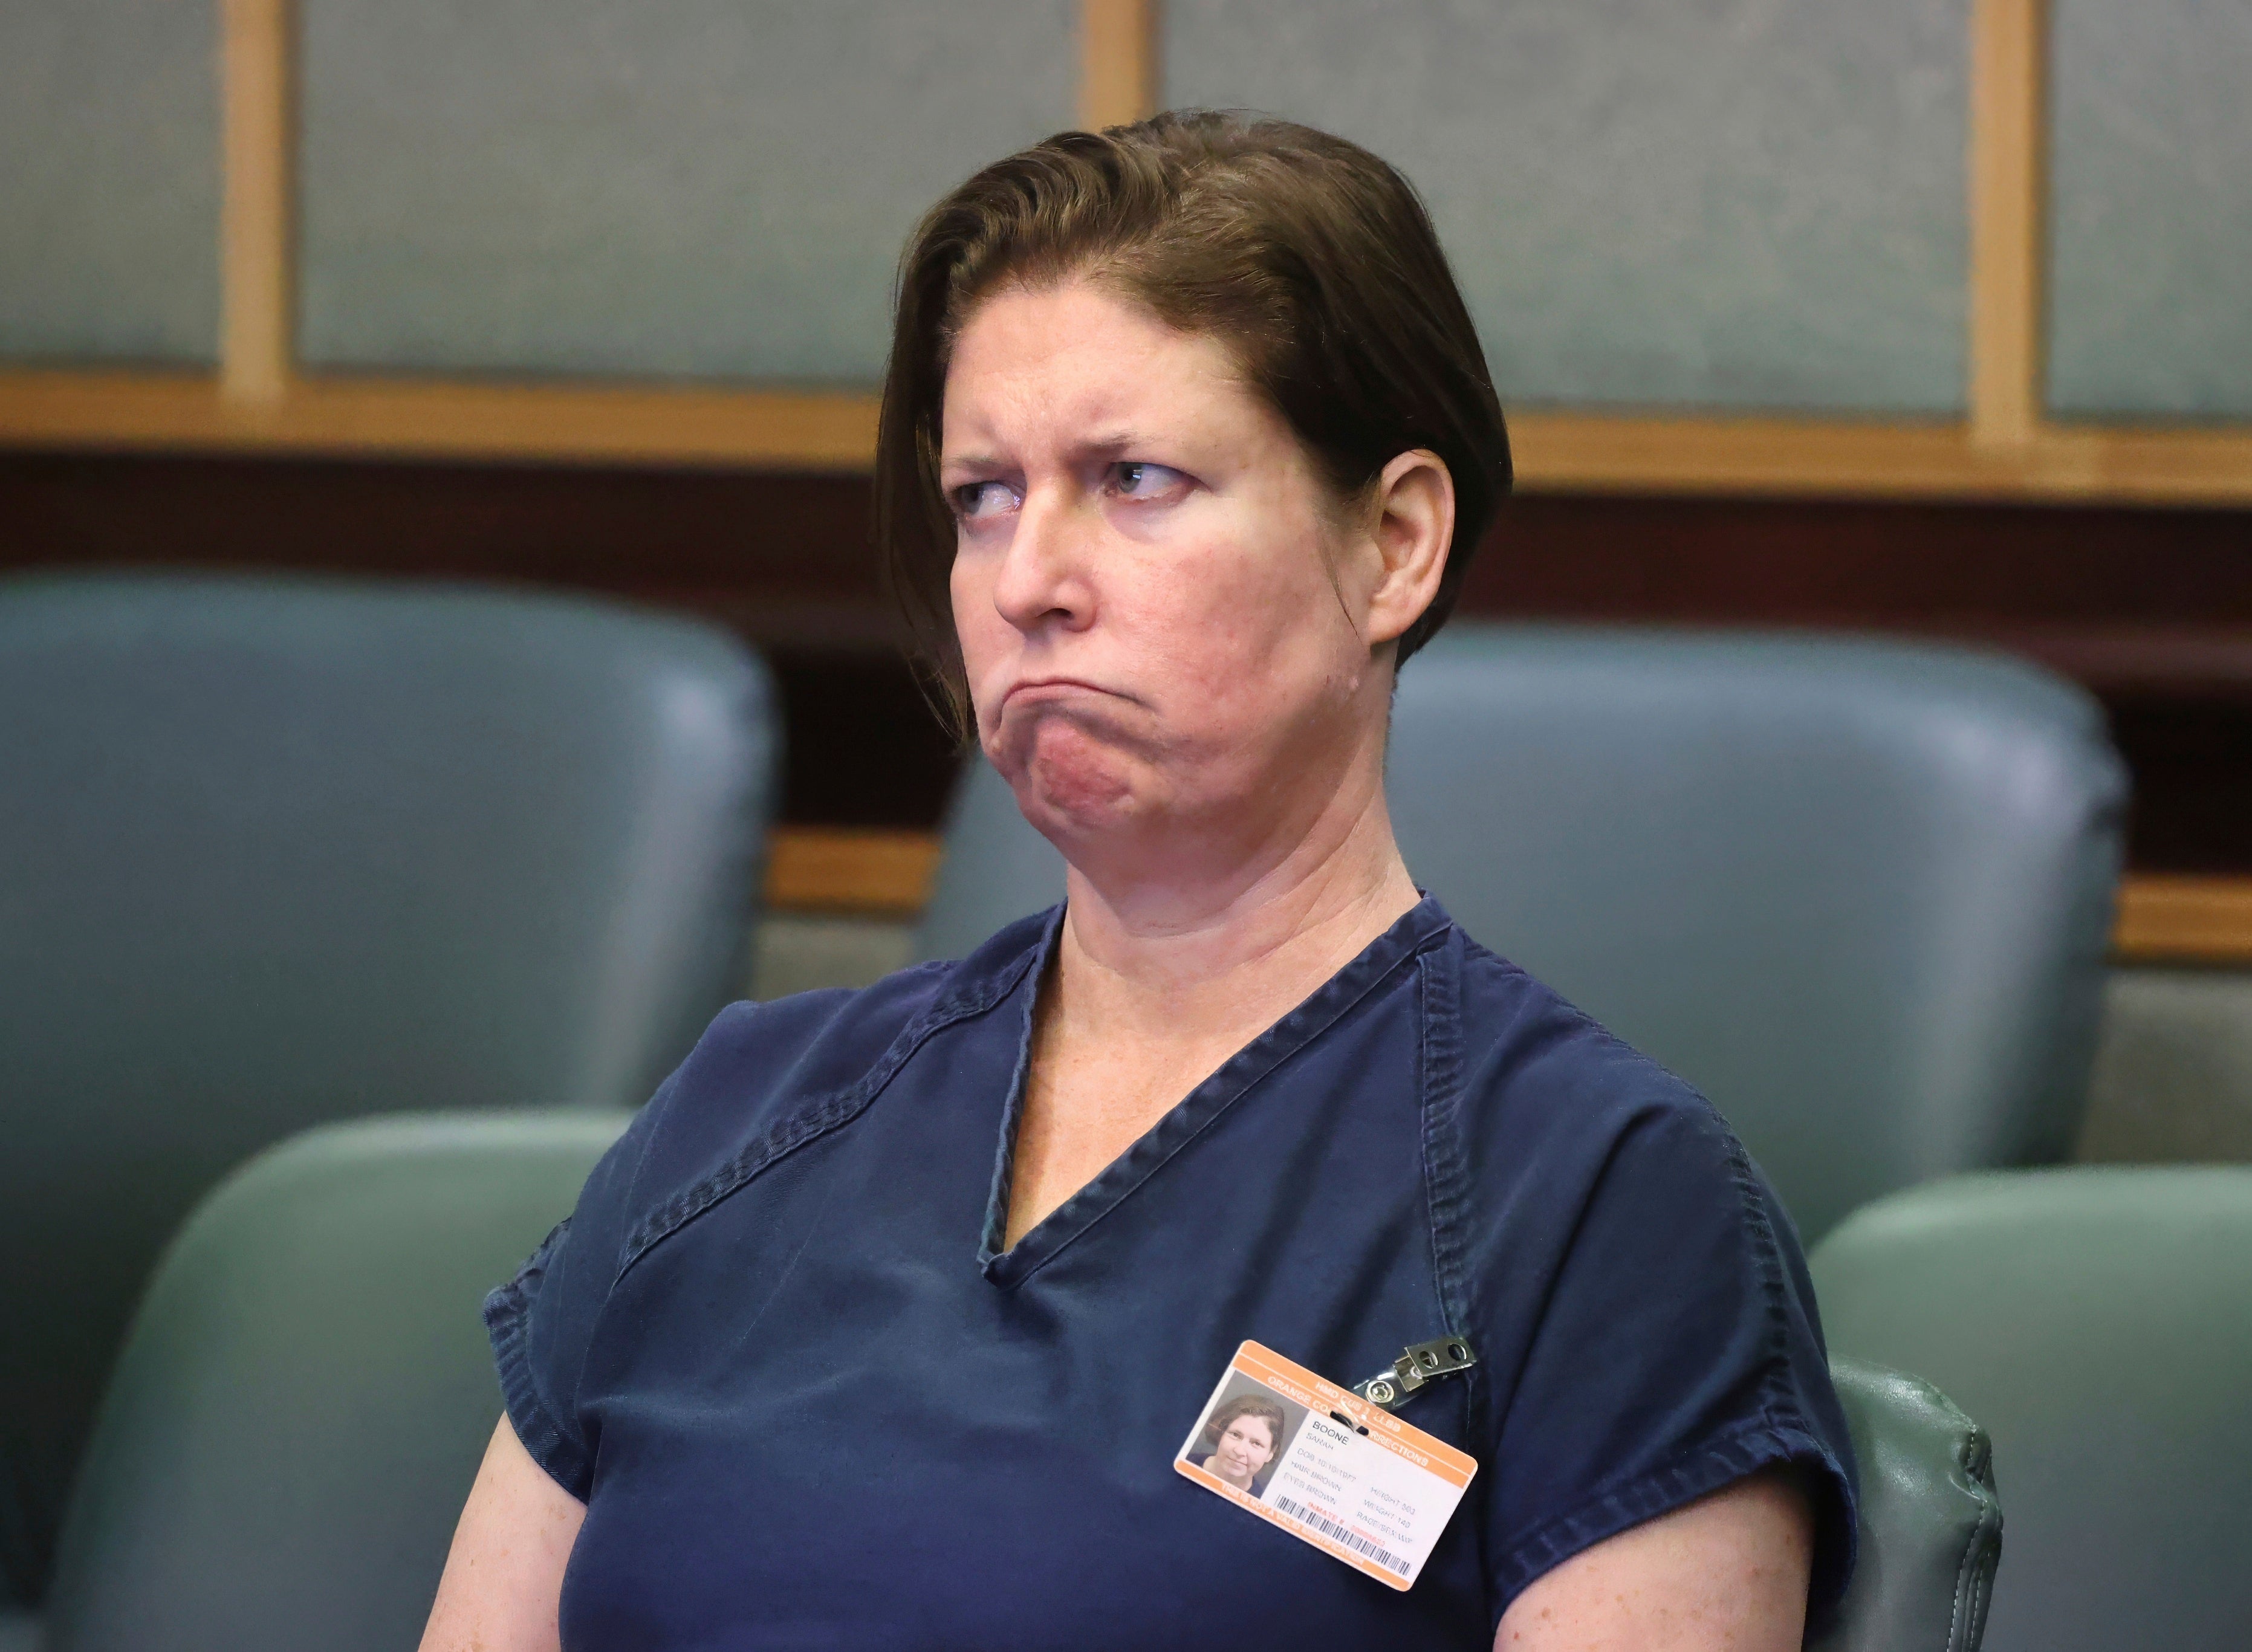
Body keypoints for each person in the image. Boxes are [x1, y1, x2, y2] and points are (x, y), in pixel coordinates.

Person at [421, 111, 1856, 1652]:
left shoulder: (1596, 1198)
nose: (1030, 576)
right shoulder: (741, 1116)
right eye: (982, 494)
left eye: (1136, 479)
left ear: (1393, 544)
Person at [1191, 1393, 1288, 1494]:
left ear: (1270, 1454)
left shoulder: (1261, 1504)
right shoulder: (1184, 1461)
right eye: (1235, 1435)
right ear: (1222, 1433)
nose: (1239, 1451)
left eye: (1256, 1443)